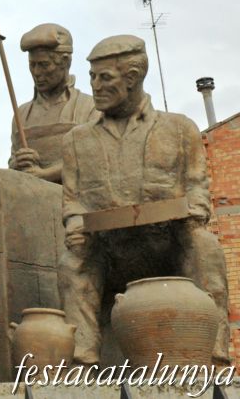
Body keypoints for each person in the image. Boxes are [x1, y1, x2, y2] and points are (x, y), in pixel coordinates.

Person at [58, 35, 229, 365]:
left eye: (104, 77)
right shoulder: (76, 141)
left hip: (169, 243)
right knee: (72, 262)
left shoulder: (180, 129)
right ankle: (83, 360)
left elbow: (197, 190)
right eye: (92, 76)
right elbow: (72, 203)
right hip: (108, 250)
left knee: (205, 246)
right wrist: (75, 224)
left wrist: (192, 212)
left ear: (133, 77)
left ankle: (213, 354)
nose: (94, 86)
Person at [9, 23, 98, 183]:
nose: (37, 73)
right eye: (32, 65)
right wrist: (17, 164)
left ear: (65, 62)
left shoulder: (89, 107)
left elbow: (93, 159)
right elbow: (12, 162)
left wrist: (45, 174)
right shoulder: (21, 114)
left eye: (44, 65)